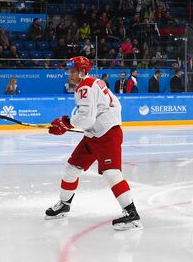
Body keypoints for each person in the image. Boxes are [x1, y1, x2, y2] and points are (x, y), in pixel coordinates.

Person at [45, 57, 142, 230]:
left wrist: (66, 123)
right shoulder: (95, 83)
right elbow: (114, 106)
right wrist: (74, 122)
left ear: (82, 72)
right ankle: (64, 204)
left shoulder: (84, 87)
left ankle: (132, 215)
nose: (70, 74)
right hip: (95, 135)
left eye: (73, 71)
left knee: (111, 173)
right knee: (71, 168)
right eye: (70, 71)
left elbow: (86, 118)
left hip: (107, 135)